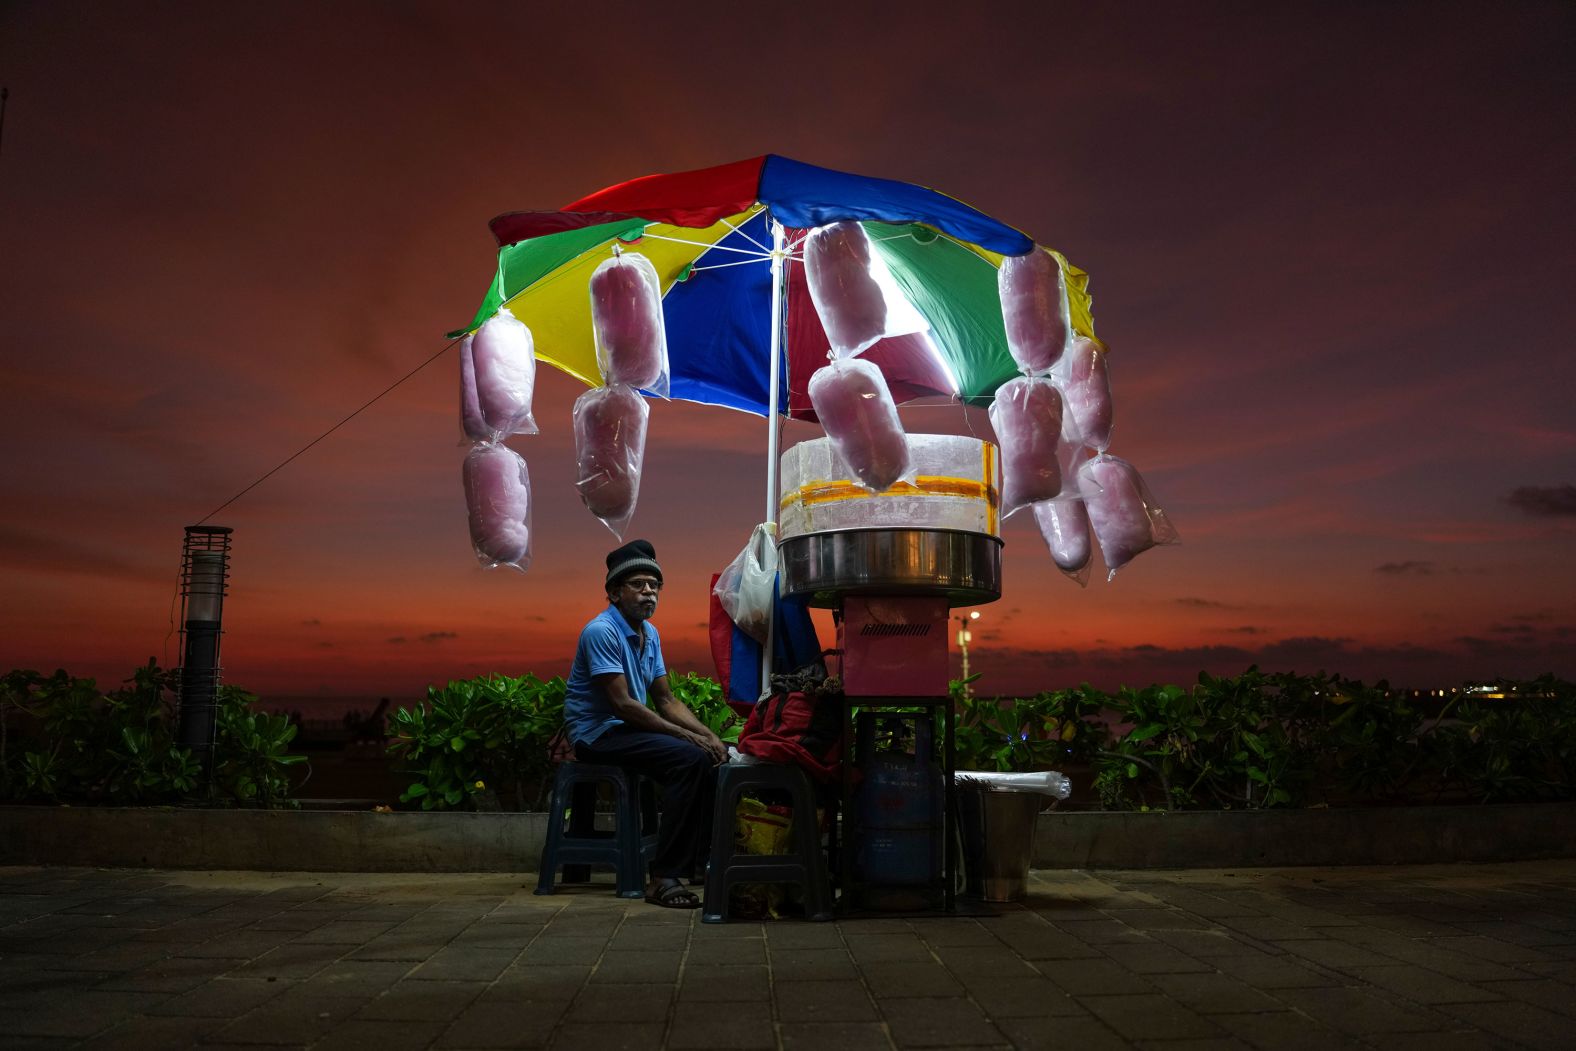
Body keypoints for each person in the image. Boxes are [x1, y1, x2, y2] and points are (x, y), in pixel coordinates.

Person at [563, 539, 727, 908]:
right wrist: (687, 738)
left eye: (654, 586)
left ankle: (696, 864)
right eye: (638, 584)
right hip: (597, 733)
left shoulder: (649, 634)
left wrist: (709, 736)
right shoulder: (601, 631)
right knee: (687, 759)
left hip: (625, 728)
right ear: (614, 592)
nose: (648, 592)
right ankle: (663, 878)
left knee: (713, 759)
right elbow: (622, 705)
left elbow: (666, 700)